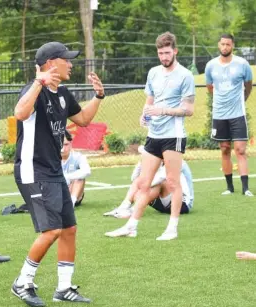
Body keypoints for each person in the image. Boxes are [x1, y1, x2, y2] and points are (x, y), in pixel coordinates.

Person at [11, 41, 105, 307]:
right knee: (51, 230)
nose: (71, 64)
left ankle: (64, 288)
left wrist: (98, 97)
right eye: (67, 59)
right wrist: (38, 82)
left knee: (69, 229)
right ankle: (22, 282)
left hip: (53, 171)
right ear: (52, 63)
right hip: (33, 171)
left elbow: (84, 120)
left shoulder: (63, 93)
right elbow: (20, 113)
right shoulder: (34, 90)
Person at [121, 32, 195, 241]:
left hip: (174, 135)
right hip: (154, 134)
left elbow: (189, 110)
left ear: (175, 51)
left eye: (167, 52)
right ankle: (131, 226)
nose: (164, 57)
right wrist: (144, 115)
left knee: (172, 182)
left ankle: (172, 228)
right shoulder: (153, 73)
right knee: (144, 183)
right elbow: (149, 101)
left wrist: (162, 111)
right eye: (160, 53)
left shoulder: (185, 75)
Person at [205, 34, 253, 197]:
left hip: (237, 114)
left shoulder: (242, 64)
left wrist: (241, 99)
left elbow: (248, 85)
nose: (225, 47)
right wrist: (221, 101)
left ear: (233, 46)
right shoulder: (211, 66)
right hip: (219, 114)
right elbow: (210, 87)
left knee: (240, 150)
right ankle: (229, 187)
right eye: (222, 44)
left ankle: (245, 188)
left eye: (228, 44)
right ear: (218, 45)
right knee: (225, 149)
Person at [104, 159, 194, 237]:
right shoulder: (158, 162)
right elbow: (134, 179)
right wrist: (141, 163)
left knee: (158, 184)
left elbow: (159, 179)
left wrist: (143, 186)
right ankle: (123, 208)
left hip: (182, 204)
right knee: (140, 181)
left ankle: (132, 211)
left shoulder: (176, 161)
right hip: (164, 203)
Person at [62, 130, 91, 207]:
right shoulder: (51, 157)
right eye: (60, 145)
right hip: (57, 191)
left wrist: (66, 177)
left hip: (73, 191)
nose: (63, 149)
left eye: (66, 144)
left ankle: (71, 203)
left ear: (71, 144)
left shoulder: (78, 157)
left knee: (80, 177)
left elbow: (87, 171)